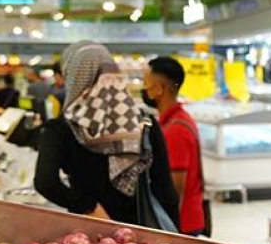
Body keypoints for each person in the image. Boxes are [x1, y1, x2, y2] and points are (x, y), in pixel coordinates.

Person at [33, 41, 179, 226]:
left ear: (72, 77)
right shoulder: (145, 123)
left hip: (89, 236)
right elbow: (165, 191)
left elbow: (46, 183)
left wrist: (88, 206)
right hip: (141, 237)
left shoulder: (60, 129)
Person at [142, 56, 207, 236]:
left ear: (159, 89)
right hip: (184, 220)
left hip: (181, 224)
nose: (143, 88)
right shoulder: (174, 121)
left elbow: (175, 190)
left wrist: (170, 230)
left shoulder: (175, 130)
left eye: (146, 82)